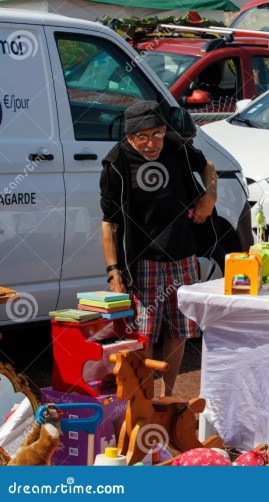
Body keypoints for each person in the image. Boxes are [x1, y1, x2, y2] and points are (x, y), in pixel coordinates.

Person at [100, 101, 217, 397]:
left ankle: (168, 397)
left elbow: (208, 167)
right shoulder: (116, 163)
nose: (151, 143)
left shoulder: (175, 146)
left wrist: (209, 197)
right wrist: (114, 273)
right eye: (143, 137)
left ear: (165, 131)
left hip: (182, 253)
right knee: (144, 334)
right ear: (129, 137)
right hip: (143, 260)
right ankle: (144, 400)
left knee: (178, 330)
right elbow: (110, 224)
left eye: (157, 134)